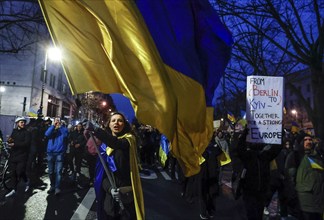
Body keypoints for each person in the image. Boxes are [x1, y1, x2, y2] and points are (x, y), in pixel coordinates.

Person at [91, 112, 144, 220]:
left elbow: (116, 144)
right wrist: (110, 189)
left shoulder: (129, 140)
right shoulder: (104, 146)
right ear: (109, 124)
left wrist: (96, 130)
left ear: (124, 124)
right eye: (113, 120)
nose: (116, 123)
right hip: (110, 198)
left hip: (126, 195)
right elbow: (103, 174)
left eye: (120, 120)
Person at [236, 129, 282, 220]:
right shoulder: (247, 155)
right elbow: (239, 148)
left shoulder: (265, 156)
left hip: (261, 192)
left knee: (258, 215)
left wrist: (279, 132)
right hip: (249, 192)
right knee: (252, 215)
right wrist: (245, 132)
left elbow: (277, 148)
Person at [295, 135, 324, 220]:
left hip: (318, 200)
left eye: (310, 139)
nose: (308, 141)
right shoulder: (296, 156)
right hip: (304, 201)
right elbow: (290, 178)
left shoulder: (318, 157)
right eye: (305, 140)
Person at [5, 116, 31, 198]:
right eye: (21, 122)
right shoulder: (14, 131)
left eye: (24, 122)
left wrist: (14, 144)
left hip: (22, 155)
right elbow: (12, 140)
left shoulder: (27, 133)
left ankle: (26, 181)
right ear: (17, 124)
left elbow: (26, 144)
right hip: (13, 155)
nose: (23, 123)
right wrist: (9, 140)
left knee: (19, 172)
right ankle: (14, 189)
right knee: (13, 173)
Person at [45, 117, 69, 195]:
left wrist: (60, 127)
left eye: (58, 120)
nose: (57, 122)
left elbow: (65, 136)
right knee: (51, 171)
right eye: (56, 121)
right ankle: (52, 186)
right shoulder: (51, 128)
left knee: (58, 171)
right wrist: (53, 126)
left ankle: (57, 187)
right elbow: (47, 134)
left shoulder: (64, 129)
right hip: (50, 153)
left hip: (59, 153)